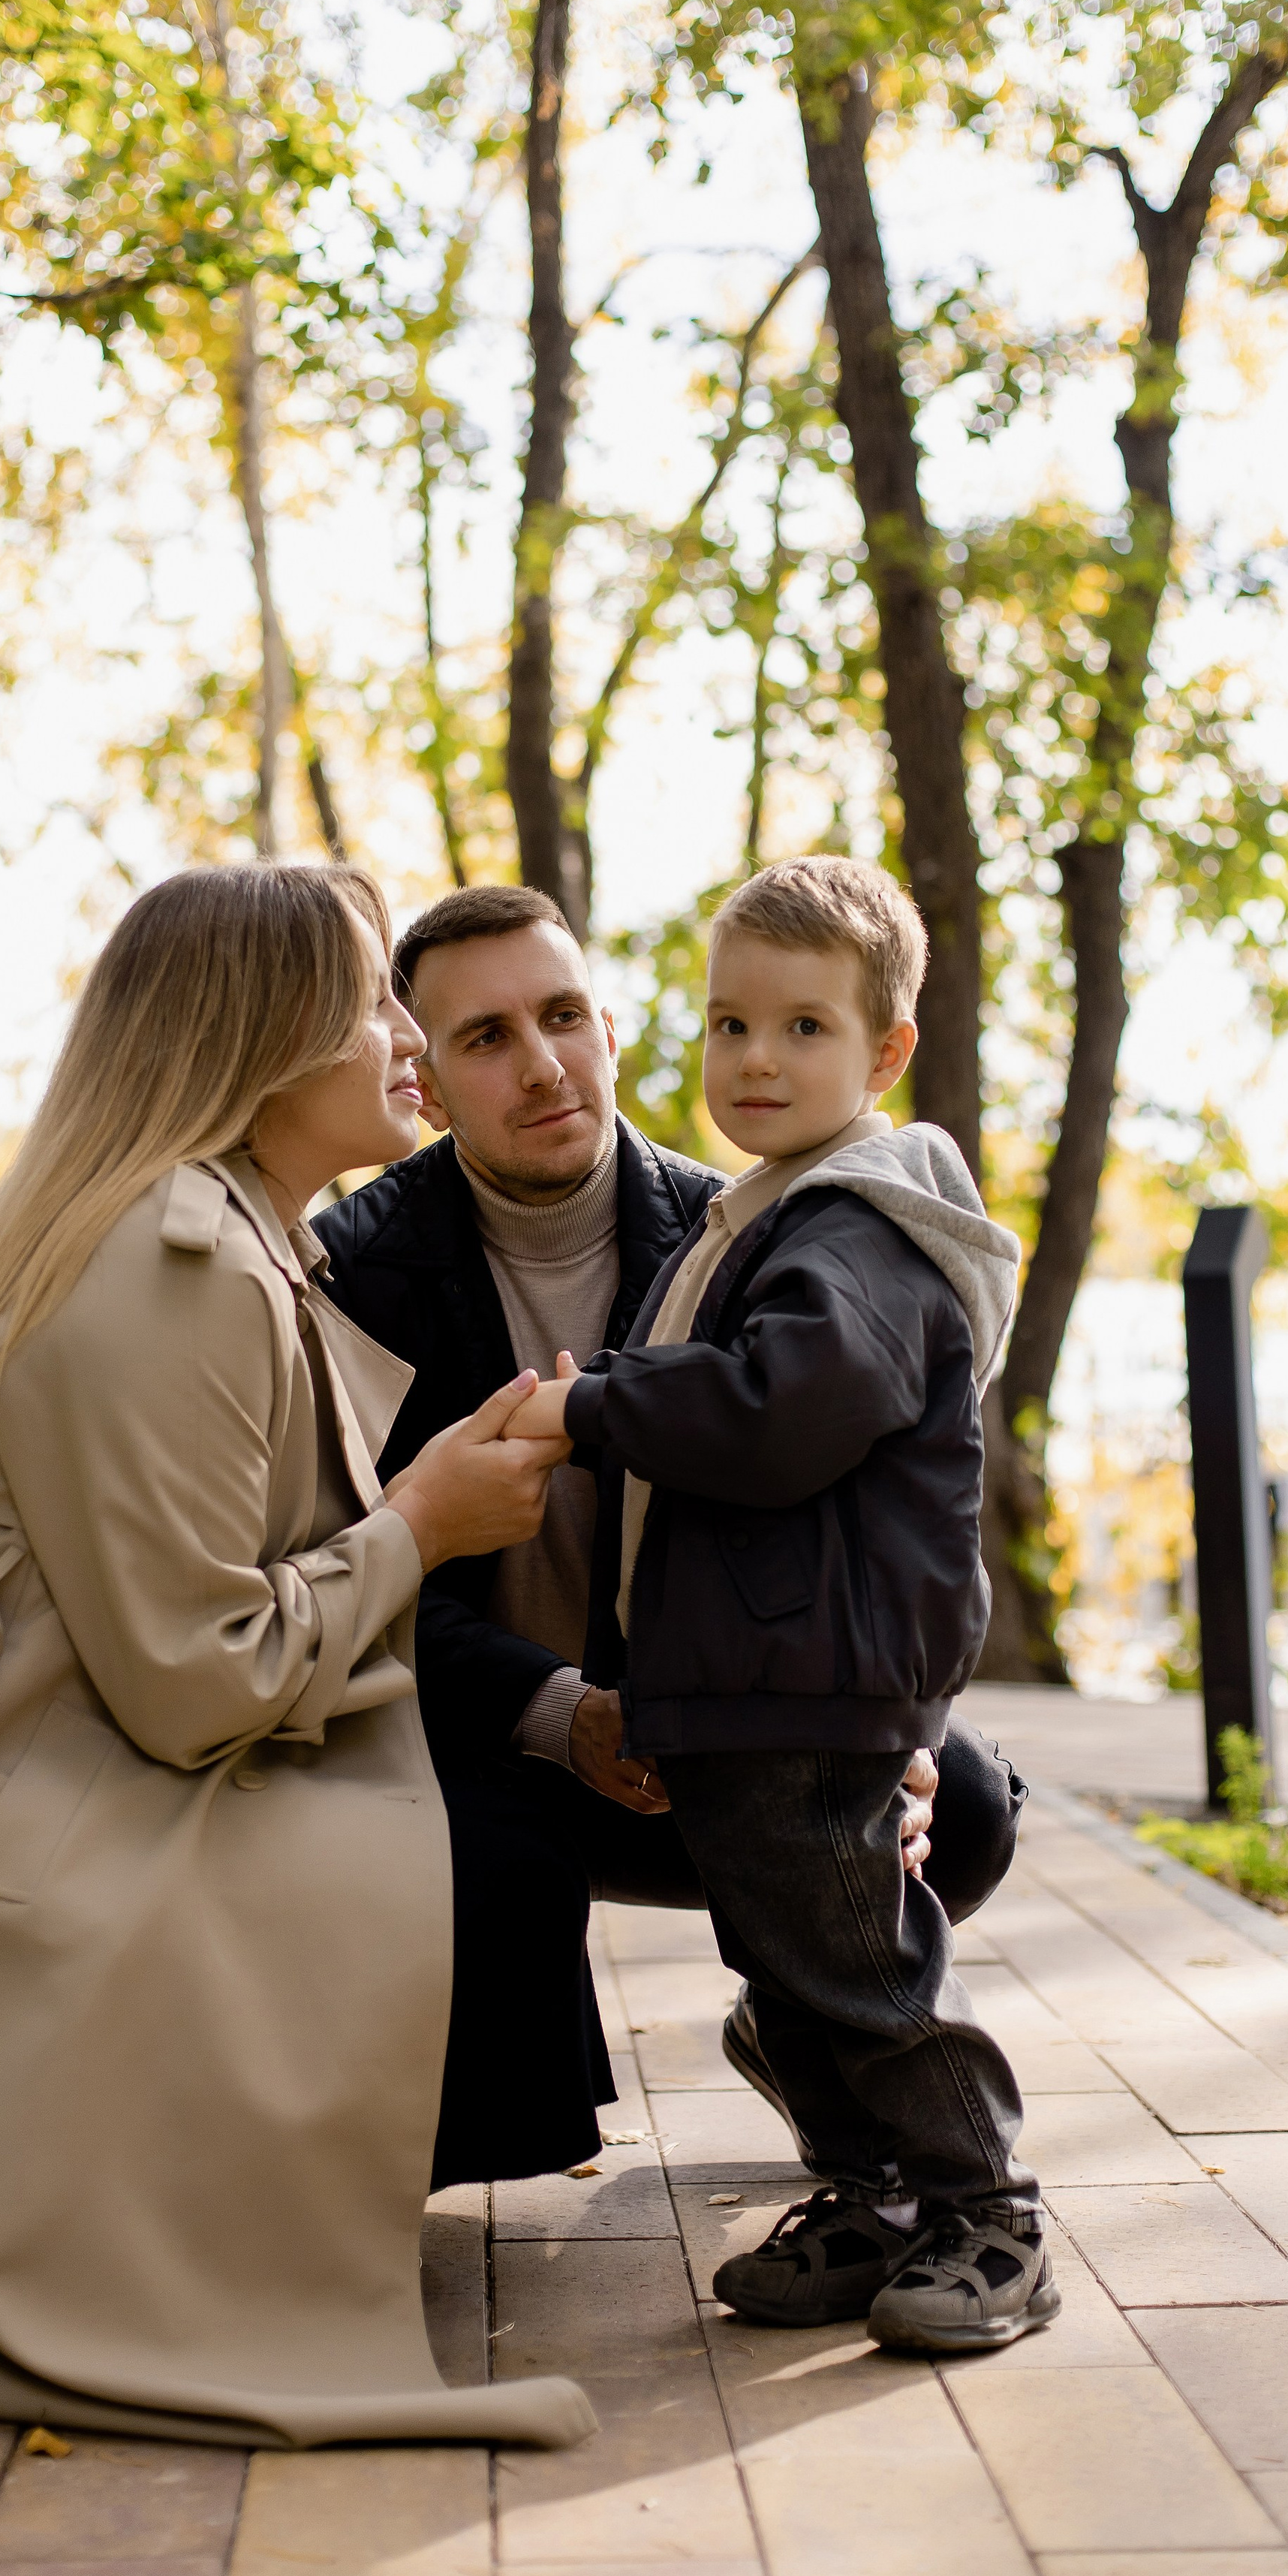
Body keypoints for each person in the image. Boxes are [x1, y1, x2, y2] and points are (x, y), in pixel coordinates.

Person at [0, 863, 594, 2452]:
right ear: (257, 1038)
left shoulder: (200, 1230)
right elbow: (195, 1685)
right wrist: (424, 1520)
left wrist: (416, 1506)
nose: (405, 1035)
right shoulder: (159, 1263)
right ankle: (217, 2220)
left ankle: (317, 2184)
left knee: (479, 1811)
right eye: (368, 1001)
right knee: (474, 1848)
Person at [314, 883, 1027, 2192]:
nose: (542, 1067)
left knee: (962, 1810)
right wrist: (553, 1711)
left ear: (609, 1024)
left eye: (565, 1015)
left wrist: (902, 1726)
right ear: (423, 1074)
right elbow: (340, 1565)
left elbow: (883, 1505)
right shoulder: (348, 1272)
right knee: (503, 1856)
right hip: (476, 1734)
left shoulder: (757, 1226)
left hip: (714, 1709)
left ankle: (816, 2027)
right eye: (484, 1040)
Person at [504, 856, 1058, 2354]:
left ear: (883, 1054)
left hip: (814, 1679)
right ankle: (872, 2196)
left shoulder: (860, 1235)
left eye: (802, 1028)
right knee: (784, 1958)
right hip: (752, 1682)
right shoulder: (771, 1216)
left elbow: (777, 1411)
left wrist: (592, 1404)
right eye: (727, 1024)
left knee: (858, 1965)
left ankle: (984, 2209)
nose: (755, 1059)